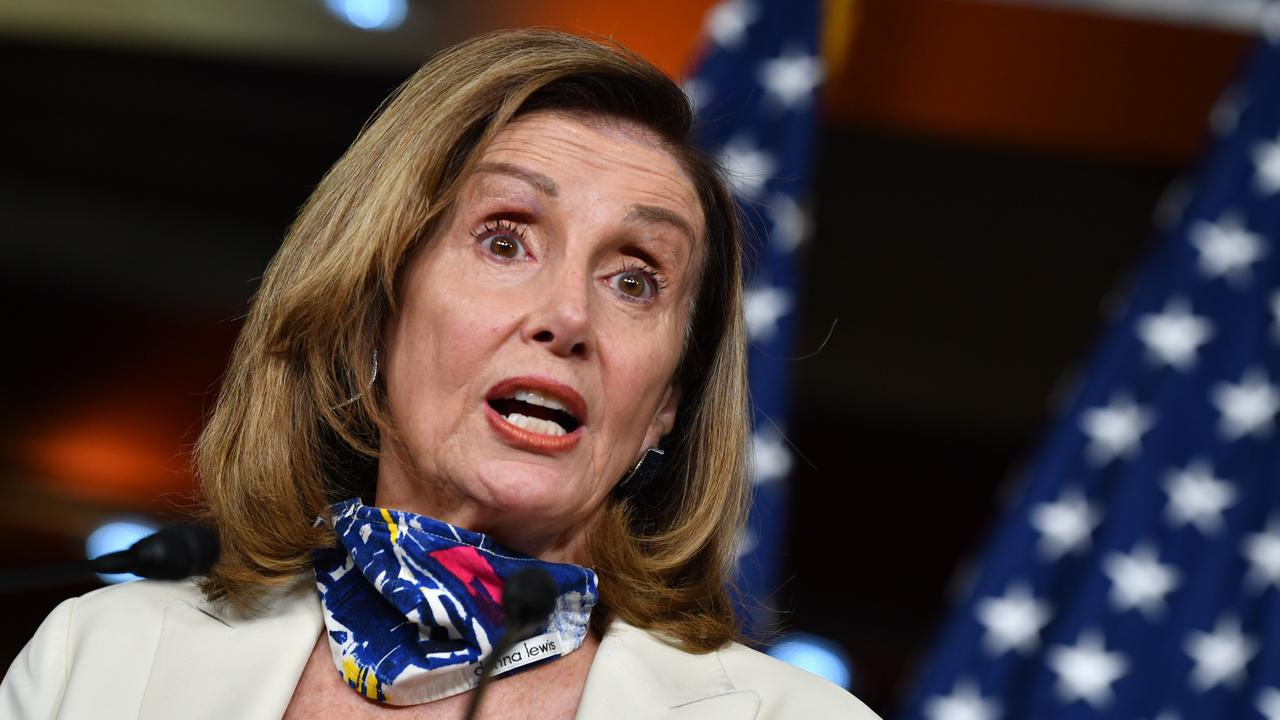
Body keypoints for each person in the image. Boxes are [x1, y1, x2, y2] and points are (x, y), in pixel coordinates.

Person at [0, 29, 879, 719]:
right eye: (505, 240)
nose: (568, 317)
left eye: (636, 279)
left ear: (665, 409)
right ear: (372, 310)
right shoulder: (102, 660)